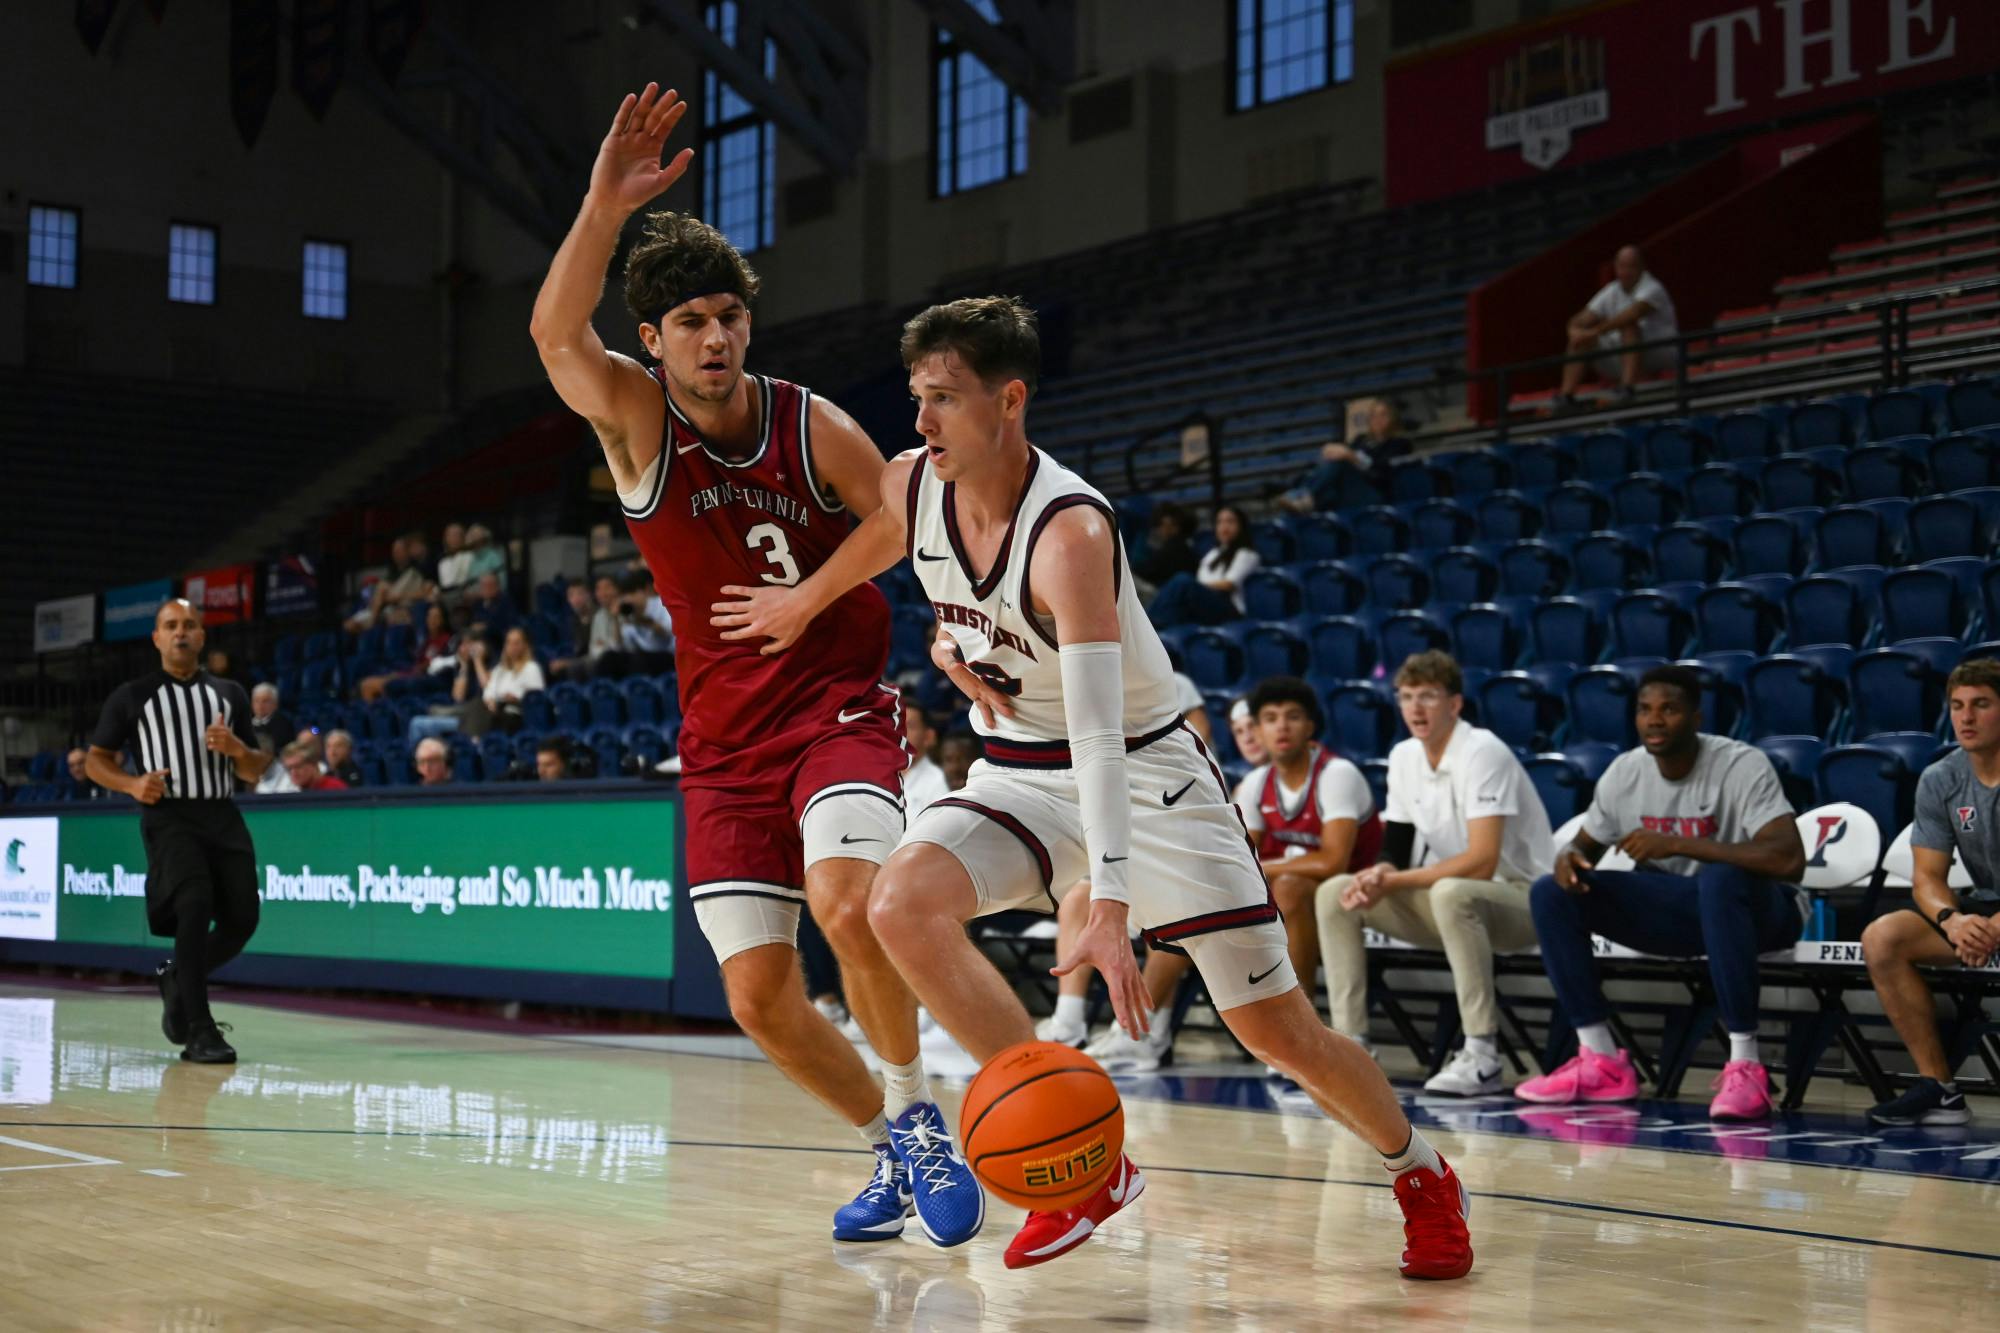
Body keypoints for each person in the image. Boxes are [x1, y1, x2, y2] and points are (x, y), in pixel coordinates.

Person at [715, 294, 1471, 1278]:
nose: (922, 420)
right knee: (897, 903)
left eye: (943, 398)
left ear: (1010, 400)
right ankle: (1086, 1168)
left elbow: (1100, 737)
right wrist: (805, 597)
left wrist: (1108, 901)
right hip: (1021, 766)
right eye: (917, 397)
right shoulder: (915, 483)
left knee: (1275, 1027)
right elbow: (884, 534)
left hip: (1145, 773)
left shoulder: (1068, 532)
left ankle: (1418, 1171)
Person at [530, 83, 976, 1249]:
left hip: (834, 711)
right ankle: (895, 1136)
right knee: (757, 999)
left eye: (729, 314)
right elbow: (550, 336)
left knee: (849, 902)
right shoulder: (632, 420)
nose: (717, 336)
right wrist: (599, 204)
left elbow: (901, 512)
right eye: (691, 322)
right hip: (722, 742)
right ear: (653, 341)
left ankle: (921, 1120)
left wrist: (811, 593)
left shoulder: (805, 418)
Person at [1520, 665, 1805, 1119]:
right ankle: (1601, 1061)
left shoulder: (1741, 764)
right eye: (1645, 710)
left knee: (1719, 877)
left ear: (1696, 718)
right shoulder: (1625, 772)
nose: (1654, 720)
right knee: (1550, 894)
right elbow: (1582, 845)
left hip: (1763, 912)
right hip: (1682, 911)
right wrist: (1568, 859)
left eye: (1669, 709)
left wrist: (1678, 844)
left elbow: (1790, 859)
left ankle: (1746, 1065)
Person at [1317, 651, 1552, 1096]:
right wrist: (1378, 873)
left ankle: (1482, 1054)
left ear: (1455, 705)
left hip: (1526, 902)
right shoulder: (1405, 756)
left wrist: (1393, 880)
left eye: (1428, 696)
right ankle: (1353, 1050)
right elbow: (1397, 847)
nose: (1415, 708)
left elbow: (1482, 862)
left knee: (1452, 893)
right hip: (1457, 903)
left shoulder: (1483, 752)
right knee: (1336, 892)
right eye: (1406, 697)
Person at [83, 599, 271, 1064]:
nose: (181, 632)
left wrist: (236, 749)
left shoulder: (229, 693)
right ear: (157, 638)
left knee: (243, 918)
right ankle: (199, 1028)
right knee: (193, 903)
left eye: (189, 625)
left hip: (221, 813)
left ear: (202, 637)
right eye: (171, 626)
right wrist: (131, 783)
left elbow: (257, 767)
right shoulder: (133, 695)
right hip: (169, 815)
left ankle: (175, 979)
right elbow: (94, 760)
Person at [1860, 659, 2000, 1126]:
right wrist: (1953, 921)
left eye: (1981, 704)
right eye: (1957, 706)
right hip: (1982, 911)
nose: (1966, 717)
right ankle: (1939, 1088)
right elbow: (1928, 879)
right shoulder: (1941, 778)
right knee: (1883, 937)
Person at [1558, 244, 1678, 405]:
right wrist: (1573, 331)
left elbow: (1631, 315)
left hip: (1661, 351)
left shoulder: (1652, 288)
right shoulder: (1612, 290)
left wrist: (1594, 332)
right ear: (1615, 267)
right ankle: (1566, 397)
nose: (1626, 272)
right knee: (1580, 339)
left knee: (1629, 327)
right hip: (1624, 355)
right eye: (1622, 266)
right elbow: (1579, 319)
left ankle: (1627, 388)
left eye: (1631, 266)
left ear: (1641, 267)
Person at [1277, 397, 1411, 513]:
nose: (1377, 419)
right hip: (1349, 490)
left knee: (1340, 463)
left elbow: (1382, 475)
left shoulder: (1399, 443)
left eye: (1384, 415)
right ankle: (1300, 501)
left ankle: (1303, 496)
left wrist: (1351, 457)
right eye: (1374, 415)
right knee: (1326, 482)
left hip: (1376, 492)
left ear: (1393, 418)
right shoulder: (1361, 439)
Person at [1147, 505, 1258, 628]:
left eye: (1230, 521)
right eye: (1220, 522)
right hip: (1206, 604)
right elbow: (1200, 581)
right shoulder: (1212, 554)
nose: (1224, 526)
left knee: (1182, 581)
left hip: (1230, 610)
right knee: (1174, 606)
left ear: (1241, 526)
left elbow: (1228, 584)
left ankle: (1145, 625)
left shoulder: (1247, 554)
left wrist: (1196, 586)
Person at [477, 626, 546, 733]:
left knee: (500, 717)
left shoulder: (531, 668)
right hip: (495, 709)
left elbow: (537, 697)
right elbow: (488, 691)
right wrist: (490, 701)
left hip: (517, 712)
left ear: (525, 645)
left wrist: (517, 698)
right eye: (509, 642)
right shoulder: (499, 670)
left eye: (517, 643)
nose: (512, 647)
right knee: (476, 708)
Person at [1130, 502, 1196, 604]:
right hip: (1165, 593)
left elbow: (1147, 570)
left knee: (1126, 576)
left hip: (1164, 597)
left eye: (1163, 525)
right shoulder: (1184, 546)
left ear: (1175, 527)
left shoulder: (1175, 547)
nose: (1160, 530)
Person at [903, 708, 950, 818]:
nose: (900, 733)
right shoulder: (875, 775)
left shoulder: (938, 781)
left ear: (929, 736)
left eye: (910, 726)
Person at [550, 582, 601, 681]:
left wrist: (569, 662)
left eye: (580, 594)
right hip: (582, 660)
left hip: (598, 659)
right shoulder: (573, 620)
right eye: (571, 595)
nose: (576, 599)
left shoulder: (599, 616)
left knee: (575, 667)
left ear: (589, 596)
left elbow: (595, 651)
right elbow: (579, 651)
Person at [281, 740, 348, 793]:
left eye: (298, 766)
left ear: (314, 764)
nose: (293, 772)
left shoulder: (336, 789)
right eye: (289, 768)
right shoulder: (290, 792)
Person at [247, 683, 293, 759]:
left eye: (265, 701)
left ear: (275, 704)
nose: (260, 705)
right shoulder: (245, 723)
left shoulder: (283, 725)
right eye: (256, 701)